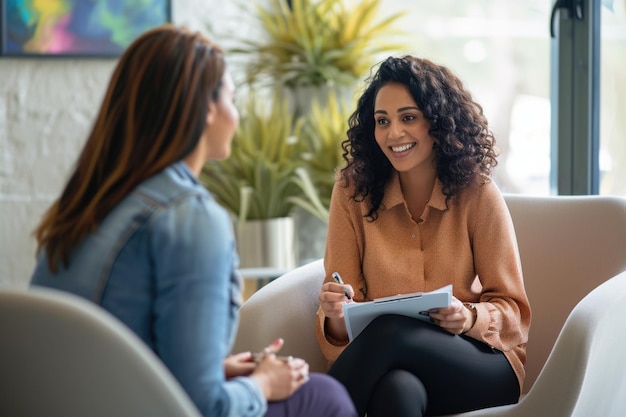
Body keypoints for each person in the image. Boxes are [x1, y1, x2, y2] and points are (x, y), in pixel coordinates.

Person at [30, 24, 357, 417]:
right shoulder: (190, 218)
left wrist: (214, 370)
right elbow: (205, 407)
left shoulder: (87, 203)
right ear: (206, 107)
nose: (236, 115)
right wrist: (262, 384)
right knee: (325, 397)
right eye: (232, 99)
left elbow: (109, 348)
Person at [315, 55, 531, 417]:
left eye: (408, 117)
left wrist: (469, 318)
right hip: (393, 366)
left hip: (479, 366)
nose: (393, 133)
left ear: (439, 122)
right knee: (397, 391)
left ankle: (311, 409)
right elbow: (344, 318)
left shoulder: (477, 192)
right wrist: (336, 312)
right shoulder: (352, 192)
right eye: (382, 121)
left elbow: (515, 314)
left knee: (390, 331)